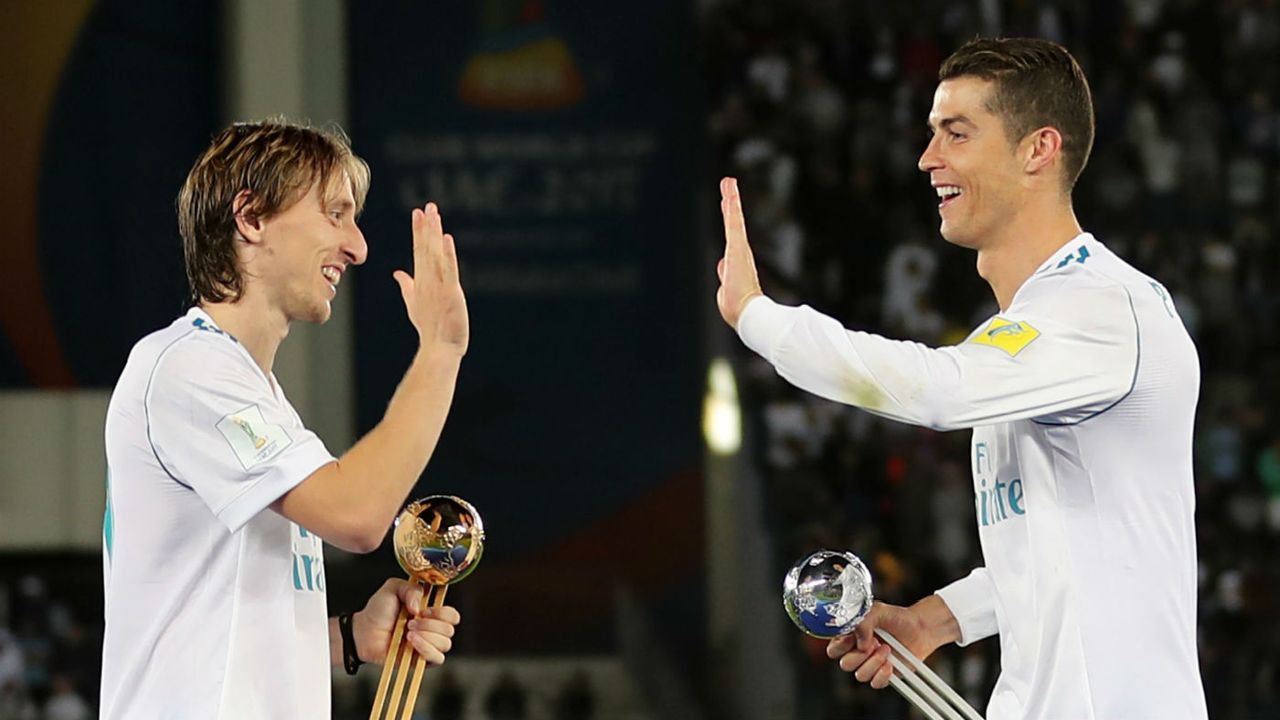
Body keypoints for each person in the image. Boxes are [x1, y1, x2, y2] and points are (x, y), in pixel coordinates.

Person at [716, 37, 1207, 719]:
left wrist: (757, 319)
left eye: (957, 133)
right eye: (931, 134)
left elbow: (939, 391)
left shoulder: (1102, 309)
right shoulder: (1031, 338)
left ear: (1039, 149)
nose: (927, 159)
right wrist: (937, 621)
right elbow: (1058, 550)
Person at [100, 120, 469, 719]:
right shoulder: (188, 368)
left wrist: (349, 637)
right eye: (334, 214)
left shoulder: (253, 396)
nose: (358, 246)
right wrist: (441, 350)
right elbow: (357, 516)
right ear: (251, 218)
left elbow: (217, 628)